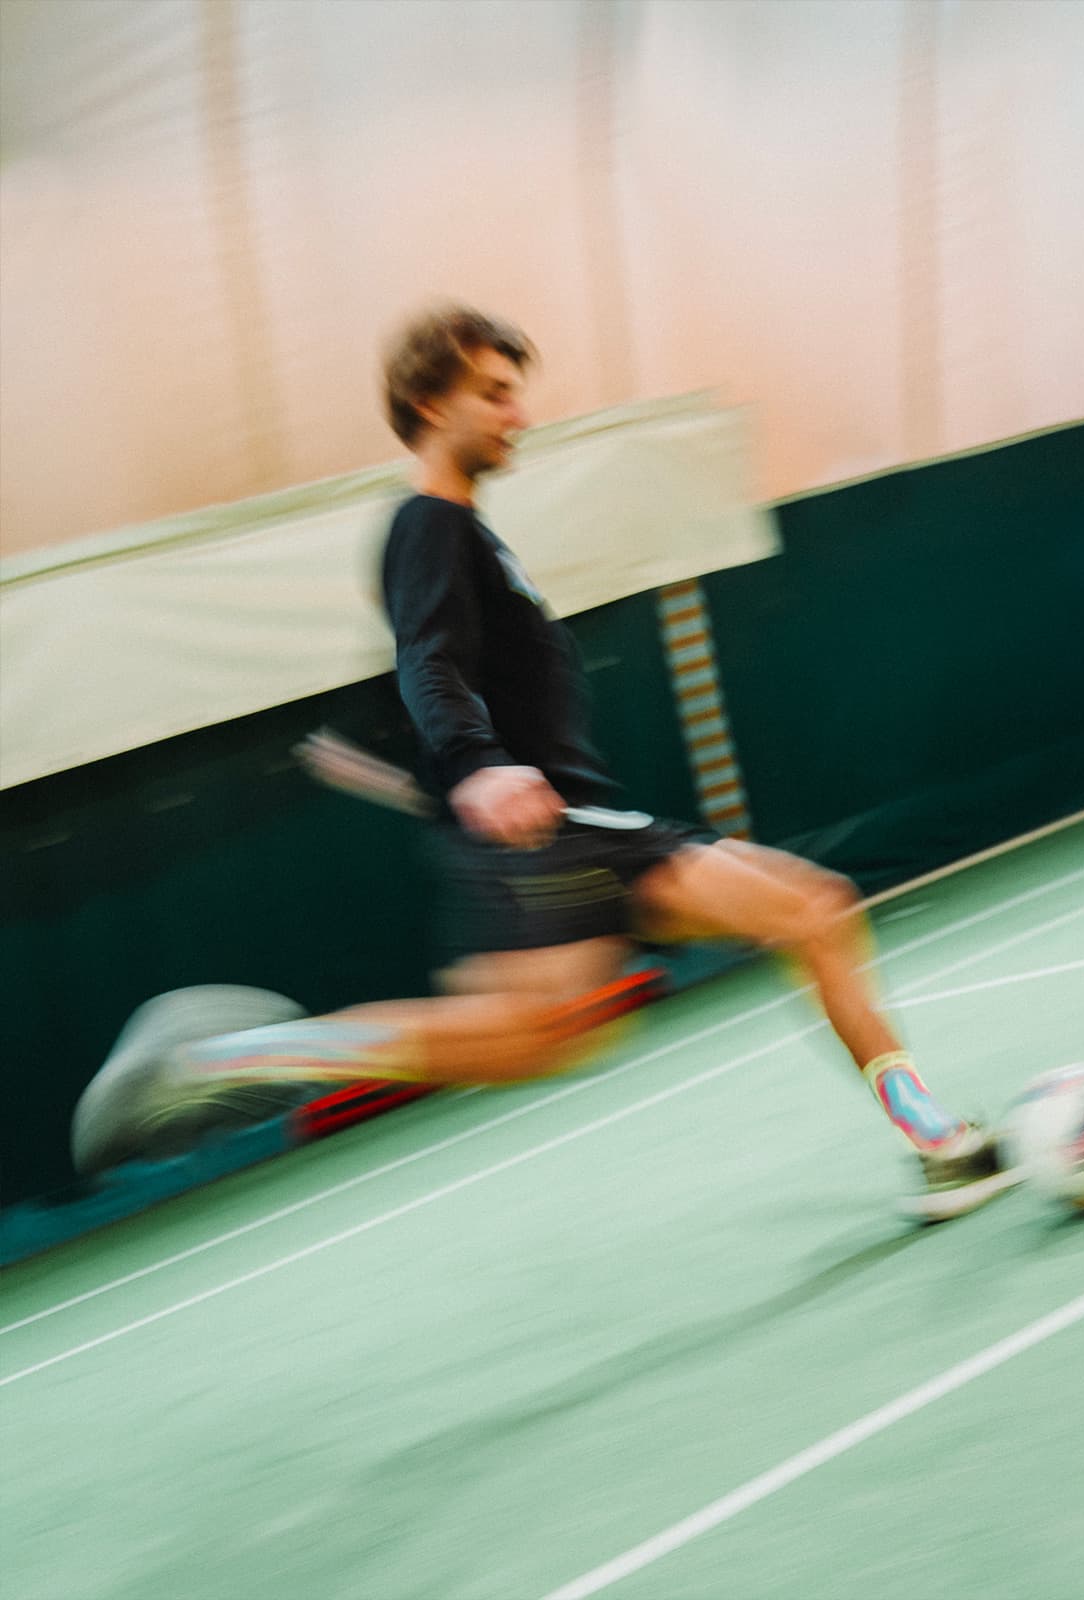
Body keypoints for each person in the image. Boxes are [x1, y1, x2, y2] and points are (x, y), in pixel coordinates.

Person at [175, 304, 1014, 1221]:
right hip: (547, 830)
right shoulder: (429, 525)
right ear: (429, 403)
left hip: (581, 824)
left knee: (785, 926)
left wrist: (437, 769)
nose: (518, 415)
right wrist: (477, 765)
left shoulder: (467, 534)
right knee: (577, 1020)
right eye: (494, 394)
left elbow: (445, 675)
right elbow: (429, 659)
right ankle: (252, 1056)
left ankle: (934, 1136)